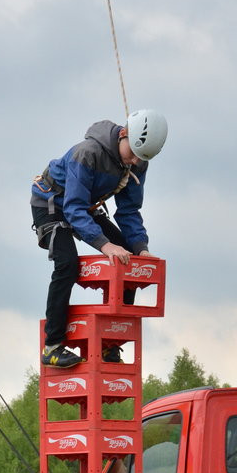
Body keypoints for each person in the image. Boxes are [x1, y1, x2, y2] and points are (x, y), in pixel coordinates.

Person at [31, 108, 168, 368]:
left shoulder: (139, 162)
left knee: (129, 259)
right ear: (124, 135)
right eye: (133, 155)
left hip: (86, 207)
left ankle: (111, 344)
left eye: (141, 159)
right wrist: (104, 245)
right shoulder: (87, 153)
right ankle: (52, 347)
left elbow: (128, 210)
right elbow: (72, 208)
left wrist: (141, 248)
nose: (134, 163)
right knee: (67, 263)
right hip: (52, 206)